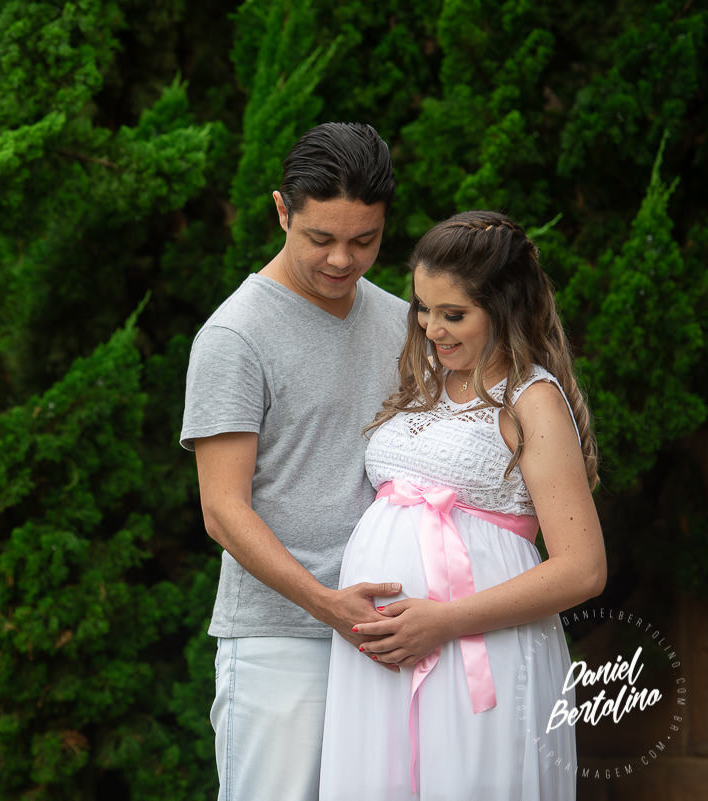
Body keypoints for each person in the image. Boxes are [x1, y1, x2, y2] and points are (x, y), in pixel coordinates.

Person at [317, 210, 607, 800]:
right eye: (423, 309)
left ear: (506, 310)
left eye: (454, 315)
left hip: (478, 650)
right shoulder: (421, 382)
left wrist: (442, 621)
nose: (432, 328)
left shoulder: (531, 401)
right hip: (383, 658)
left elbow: (584, 568)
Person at [180, 122, 409, 801]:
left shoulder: (402, 322)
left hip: (386, 637)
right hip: (281, 641)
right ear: (282, 211)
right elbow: (223, 509)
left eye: (363, 240)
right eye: (320, 238)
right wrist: (326, 604)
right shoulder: (234, 336)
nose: (342, 259)